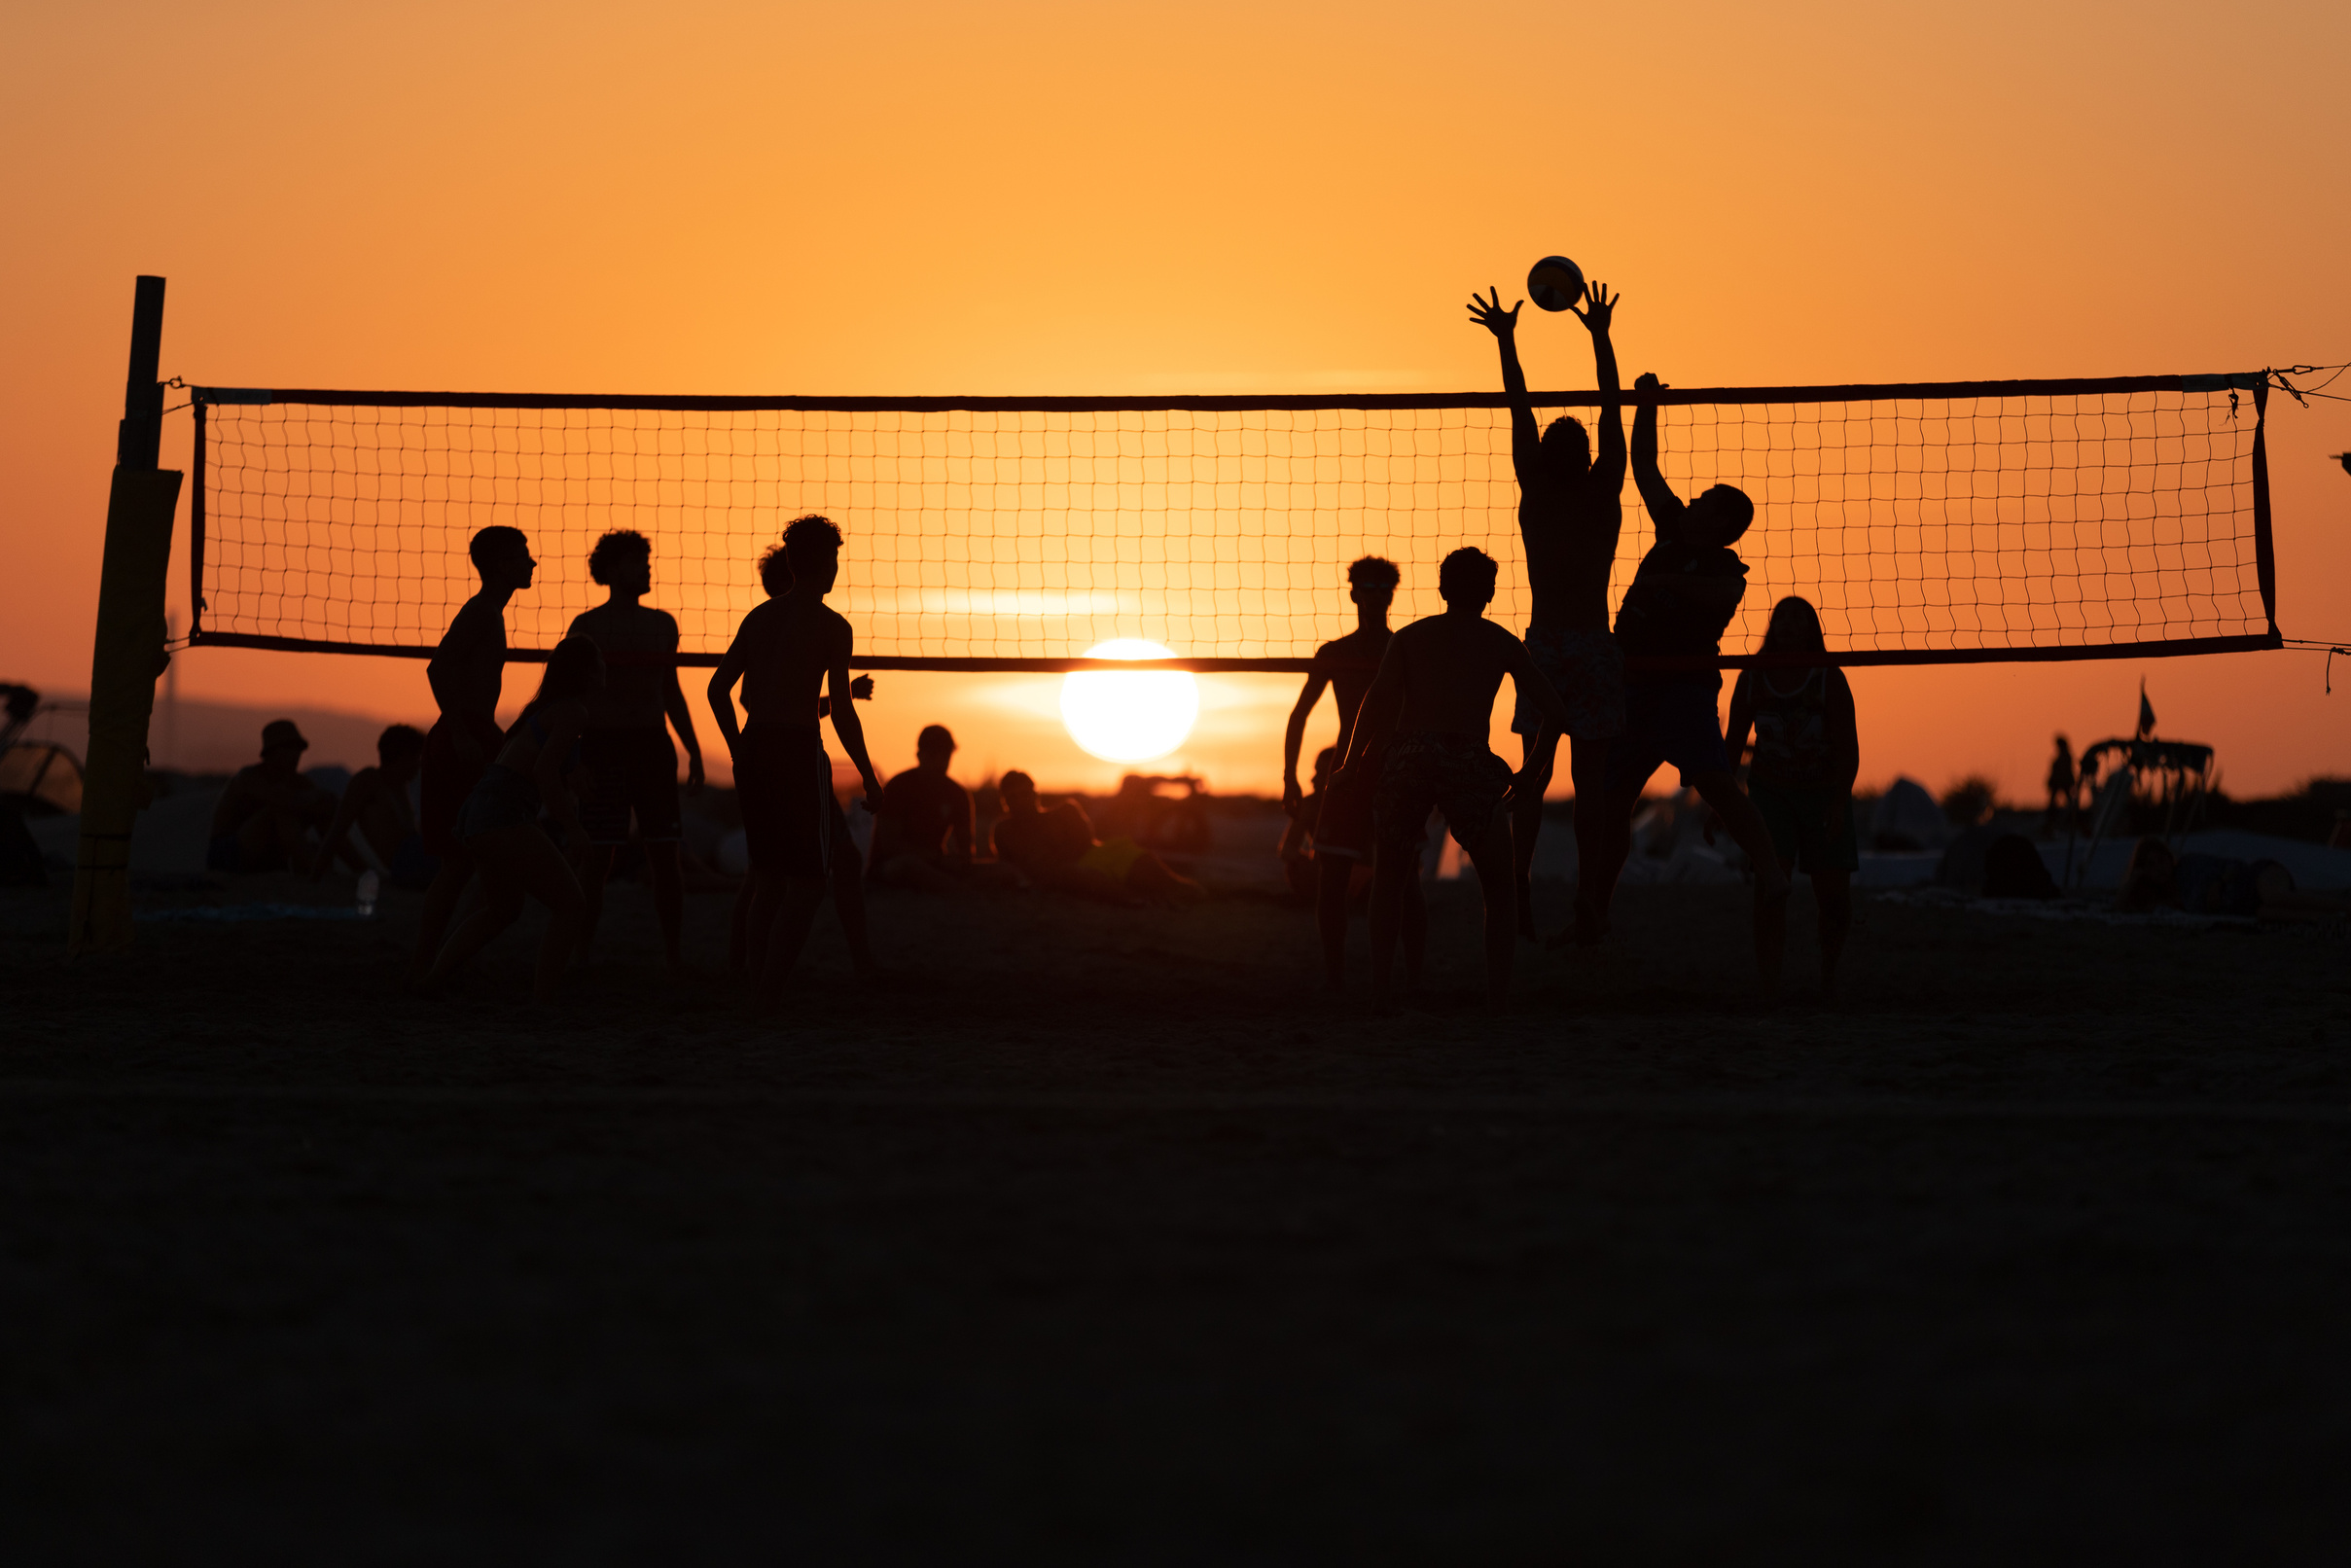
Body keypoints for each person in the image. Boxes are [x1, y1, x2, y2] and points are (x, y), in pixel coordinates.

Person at [1575, 372, 1792, 958]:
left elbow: (1714, 602)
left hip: (1683, 693)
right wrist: (1645, 406)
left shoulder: (1725, 571)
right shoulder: (1672, 529)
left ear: (1720, 524)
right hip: (1632, 687)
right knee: (1614, 803)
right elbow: (1644, 466)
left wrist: (1662, 581)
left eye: (1702, 503)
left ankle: (1771, 873)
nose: (1689, 502)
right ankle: (1595, 914)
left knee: (1719, 785)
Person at [1337, 547, 1572, 1008]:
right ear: (1489, 592)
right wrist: (1529, 775)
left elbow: (1376, 701)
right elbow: (1556, 713)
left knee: (1389, 878)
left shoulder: (1408, 638)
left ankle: (1381, 991)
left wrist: (1349, 763)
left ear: (1442, 589)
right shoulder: (1500, 641)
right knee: (1499, 886)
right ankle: (1497, 997)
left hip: (1410, 756)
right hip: (1466, 757)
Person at [1467, 279, 1628, 941]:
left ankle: (1525, 886)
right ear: (1587, 456)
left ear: (1545, 458)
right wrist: (1598, 336)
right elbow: (1609, 409)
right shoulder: (1601, 492)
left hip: (1549, 648)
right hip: (1589, 646)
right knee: (1586, 789)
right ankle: (1587, 899)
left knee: (1533, 781)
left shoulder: (1540, 492)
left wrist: (1508, 341)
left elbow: (1519, 409)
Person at [706, 515, 886, 1012]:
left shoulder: (759, 618)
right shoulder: (832, 626)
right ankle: (767, 995)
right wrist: (870, 778)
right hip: (797, 754)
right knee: (806, 886)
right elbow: (842, 713)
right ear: (827, 564)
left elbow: (719, 691)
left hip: (757, 745)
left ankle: (751, 986)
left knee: (767, 881)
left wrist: (738, 749)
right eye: (833, 560)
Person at [418, 637, 604, 1004]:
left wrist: (573, 772)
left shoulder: (543, 710)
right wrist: (573, 829)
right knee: (571, 905)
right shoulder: (573, 712)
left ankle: (428, 982)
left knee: (503, 910)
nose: (606, 670)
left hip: (478, 812)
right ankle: (543, 1002)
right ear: (587, 673)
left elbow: (539, 762)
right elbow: (544, 771)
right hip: (503, 813)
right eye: (601, 663)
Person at [564, 529, 706, 971]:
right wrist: (570, 758)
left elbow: (672, 690)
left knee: (665, 854)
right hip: (602, 747)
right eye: (636, 562)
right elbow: (568, 696)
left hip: (651, 746)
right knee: (596, 858)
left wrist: (695, 750)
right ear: (611, 571)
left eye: (646, 561)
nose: (646, 568)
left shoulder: (662, 624)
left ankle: (674, 959)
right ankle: (580, 957)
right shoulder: (585, 628)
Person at [1281, 555, 1419, 987]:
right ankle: (1335, 979)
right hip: (1346, 773)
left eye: (1385, 590)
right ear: (1354, 594)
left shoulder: (1406, 650)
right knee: (1332, 877)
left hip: (1396, 770)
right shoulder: (1334, 654)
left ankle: (1413, 980)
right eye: (1369, 589)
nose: (1377, 597)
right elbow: (1299, 715)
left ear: (1391, 596)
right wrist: (1289, 776)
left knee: (1405, 877)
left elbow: (1427, 713)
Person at [410, 525, 536, 982]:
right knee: (465, 859)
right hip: (463, 735)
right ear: (502, 565)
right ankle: (430, 964)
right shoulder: (482, 611)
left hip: (473, 732)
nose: (532, 563)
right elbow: (438, 667)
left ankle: (434, 962)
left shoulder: (490, 612)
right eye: (523, 555)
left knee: (464, 861)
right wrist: (463, 732)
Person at [1723, 597, 1859, 1001]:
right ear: (1772, 626)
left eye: (1800, 616)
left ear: (1812, 628)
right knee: (1770, 889)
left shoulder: (1828, 677)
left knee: (1834, 899)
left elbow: (1849, 750)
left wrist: (1838, 803)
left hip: (1823, 791)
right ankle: (1770, 988)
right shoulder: (1752, 677)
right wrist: (1720, 803)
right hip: (1770, 793)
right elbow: (1732, 745)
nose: (1789, 623)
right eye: (1782, 616)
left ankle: (1827, 980)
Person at [990, 770, 1205, 906]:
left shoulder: (1065, 811)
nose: (1020, 801)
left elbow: (1085, 843)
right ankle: (1140, 901)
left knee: (1174, 885)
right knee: (1076, 873)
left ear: (1035, 794)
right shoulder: (1005, 831)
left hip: (1104, 855)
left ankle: (1192, 892)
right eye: (1013, 797)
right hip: (1074, 873)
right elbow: (1006, 866)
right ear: (1005, 802)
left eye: (1025, 794)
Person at [870, 726, 1015, 890]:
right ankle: (960, 890)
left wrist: (957, 862)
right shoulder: (897, 787)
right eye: (933, 755)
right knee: (909, 866)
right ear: (919, 756)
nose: (939, 762)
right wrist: (937, 859)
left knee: (1006, 870)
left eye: (944, 755)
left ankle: (956, 887)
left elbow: (966, 851)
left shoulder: (958, 794)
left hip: (936, 866)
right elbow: (890, 846)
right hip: (892, 866)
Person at [313, 723, 436, 889]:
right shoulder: (369, 780)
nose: (419, 765)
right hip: (406, 863)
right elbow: (338, 829)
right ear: (402, 757)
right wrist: (315, 874)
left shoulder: (399, 786)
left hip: (415, 857)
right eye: (417, 758)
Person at [207, 719, 337, 874]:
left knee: (321, 813)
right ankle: (314, 869)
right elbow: (282, 801)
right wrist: (313, 798)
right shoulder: (250, 777)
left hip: (267, 856)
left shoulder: (297, 781)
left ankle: (355, 869)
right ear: (272, 753)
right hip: (228, 854)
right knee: (280, 810)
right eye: (289, 749)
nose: (295, 755)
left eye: (297, 750)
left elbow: (326, 805)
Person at [2044, 734, 2076, 837]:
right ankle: (2052, 813)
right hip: (2059, 782)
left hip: (2062, 781)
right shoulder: (2062, 756)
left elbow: (2065, 770)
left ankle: (2070, 813)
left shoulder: (2066, 756)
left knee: (2067, 800)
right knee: (2055, 800)